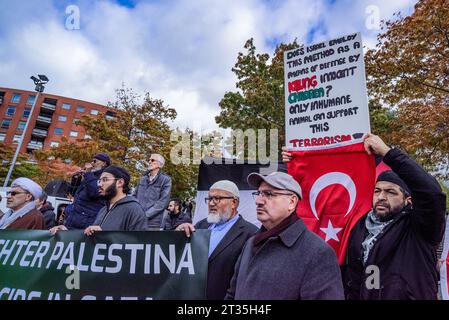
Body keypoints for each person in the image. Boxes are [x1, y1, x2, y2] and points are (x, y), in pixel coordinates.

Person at [342, 134, 447, 300]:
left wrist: (387, 153)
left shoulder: (420, 229)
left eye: (390, 192)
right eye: (377, 191)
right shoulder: (361, 228)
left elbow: (432, 193)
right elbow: (366, 279)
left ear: (408, 200)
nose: (381, 197)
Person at [225, 172, 344, 300]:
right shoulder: (250, 243)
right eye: (259, 193)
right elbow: (232, 294)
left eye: (269, 194)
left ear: (292, 202)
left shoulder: (317, 253)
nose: (259, 201)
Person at [176, 180, 258, 300]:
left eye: (217, 198)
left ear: (234, 202)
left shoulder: (251, 234)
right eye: (209, 199)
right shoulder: (200, 226)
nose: (211, 203)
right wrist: (178, 235)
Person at [50, 153, 110, 233]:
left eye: (95, 161)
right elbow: (74, 193)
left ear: (104, 163)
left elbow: (94, 192)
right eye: (92, 161)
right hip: (75, 217)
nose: (92, 163)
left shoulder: (105, 177)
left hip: (86, 221)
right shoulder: (90, 176)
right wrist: (76, 179)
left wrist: (88, 174)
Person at [84, 165, 148, 234]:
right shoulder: (102, 210)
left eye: (105, 180)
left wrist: (104, 235)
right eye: (99, 181)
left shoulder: (134, 210)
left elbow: (138, 242)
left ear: (120, 182)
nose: (99, 184)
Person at [134, 153, 172, 230]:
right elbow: (134, 196)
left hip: (152, 223)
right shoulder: (142, 179)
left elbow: (162, 203)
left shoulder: (166, 180)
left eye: (152, 160)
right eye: (149, 160)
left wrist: (145, 215)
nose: (149, 162)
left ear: (160, 165)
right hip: (137, 220)